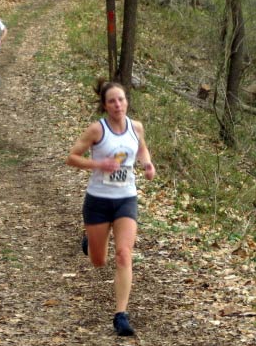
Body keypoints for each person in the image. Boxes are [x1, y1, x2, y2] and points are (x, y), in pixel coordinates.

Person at [66, 79, 156, 337]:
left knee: (124, 254)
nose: (118, 105)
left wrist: (148, 164)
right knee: (98, 260)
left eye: (122, 99)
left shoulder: (136, 127)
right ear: (105, 106)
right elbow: (71, 157)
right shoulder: (97, 130)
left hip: (126, 198)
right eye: (112, 101)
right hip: (98, 200)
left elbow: (142, 149)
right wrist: (99, 165)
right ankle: (89, 239)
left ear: (127, 101)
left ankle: (121, 315)